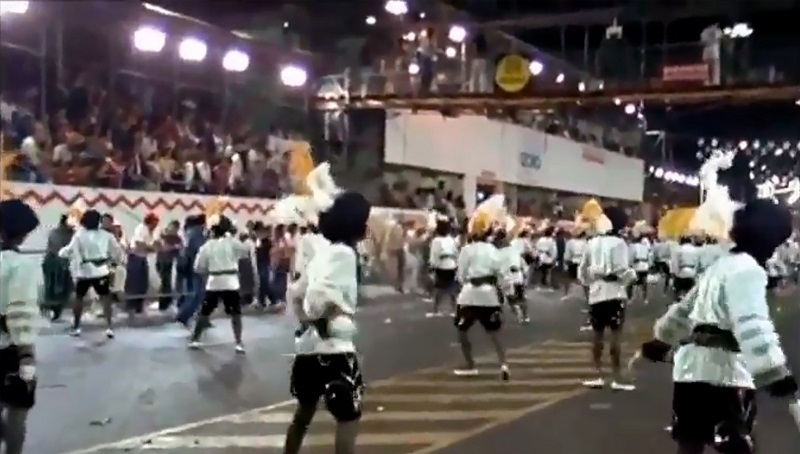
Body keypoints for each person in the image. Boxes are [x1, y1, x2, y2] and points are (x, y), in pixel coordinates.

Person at [641, 199, 797, 454]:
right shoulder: (749, 271)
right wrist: (775, 373)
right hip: (725, 375)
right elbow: (751, 324)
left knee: (690, 445)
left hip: (690, 370)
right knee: (737, 447)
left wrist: (663, 339)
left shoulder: (721, 265)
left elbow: (684, 308)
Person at [284, 163, 370, 454]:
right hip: (334, 349)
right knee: (349, 418)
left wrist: (307, 317)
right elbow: (316, 298)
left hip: (307, 350)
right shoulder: (344, 254)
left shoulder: (321, 253)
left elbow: (296, 293)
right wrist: (325, 314)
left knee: (303, 416)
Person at [578, 204, 636, 391]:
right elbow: (622, 269)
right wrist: (631, 278)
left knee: (597, 335)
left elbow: (582, 271)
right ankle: (617, 377)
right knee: (616, 336)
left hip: (596, 293)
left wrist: (591, 283)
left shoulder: (591, 242)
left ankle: (597, 375)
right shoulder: (619, 243)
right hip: (615, 292)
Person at [0, 200, 42, 454]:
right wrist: (26, 355)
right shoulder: (21, 265)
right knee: (18, 410)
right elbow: (20, 313)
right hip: (9, 348)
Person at [453, 194, 509, 380]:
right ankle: (503, 364)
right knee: (495, 334)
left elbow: (460, 275)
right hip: (489, 296)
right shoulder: (493, 250)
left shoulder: (467, 250)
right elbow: (501, 273)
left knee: (462, 331)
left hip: (469, 295)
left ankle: (470, 364)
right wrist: (503, 292)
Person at [58, 209, 124, 338]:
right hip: (101, 270)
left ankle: (77, 327)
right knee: (106, 298)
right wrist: (116, 261)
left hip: (84, 271)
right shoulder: (106, 235)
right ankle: (109, 327)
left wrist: (62, 254)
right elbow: (117, 251)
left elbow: (70, 250)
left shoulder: (79, 235)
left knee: (79, 298)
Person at [189, 214, 249, 353]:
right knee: (235, 314)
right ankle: (238, 343)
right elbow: (245, 252)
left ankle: (195, 340)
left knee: (205, 312)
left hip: (214, 282)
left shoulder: (207, 246)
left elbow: (198, 267)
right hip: (231, 282)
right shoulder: (232, 242)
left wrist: (208, 271)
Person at [427, 213, 459, 317]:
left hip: (441, 266)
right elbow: (456, 252)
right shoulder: (452, 240)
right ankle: (454, 309)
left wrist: (432, 266)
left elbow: (434, 254)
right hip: (452, 265)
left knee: (439, 288)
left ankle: (436, 310)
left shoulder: (436, 241)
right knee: (452, 289)